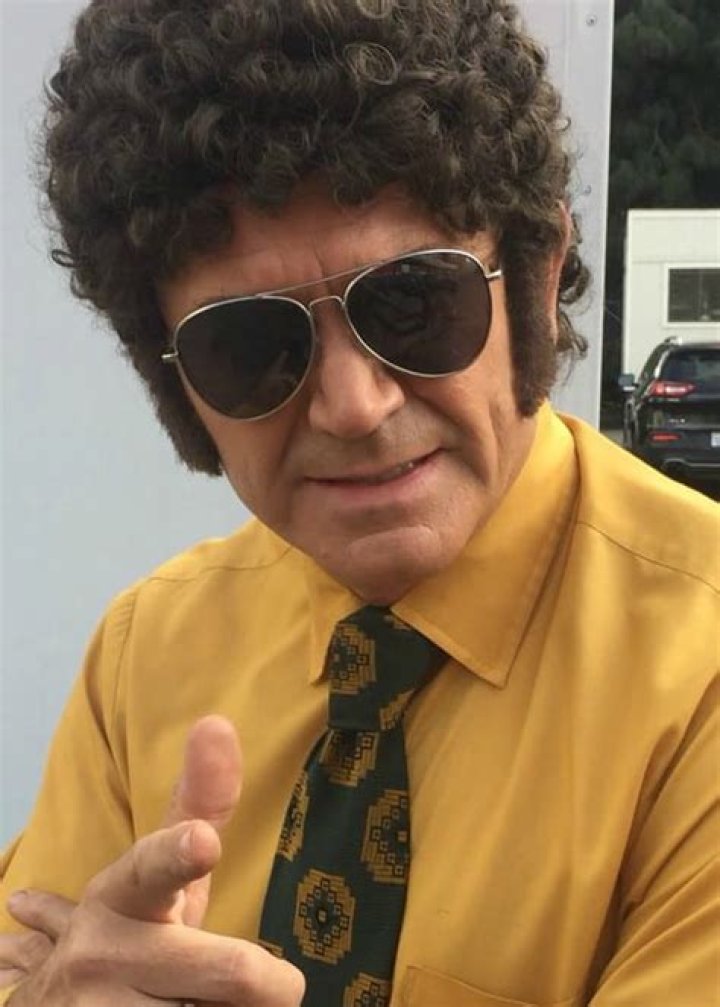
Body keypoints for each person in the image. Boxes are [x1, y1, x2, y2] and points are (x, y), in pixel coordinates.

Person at [0, 1, 717, 1005]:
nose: (352, 404)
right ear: (174, 382)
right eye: (251, 345)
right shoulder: (143, 655)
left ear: (538, 275)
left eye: (414, 302)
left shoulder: (699, 667)